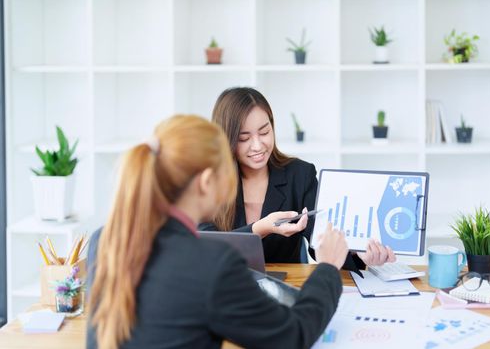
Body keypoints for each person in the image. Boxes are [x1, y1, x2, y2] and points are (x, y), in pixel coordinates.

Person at [86, 114, 350, 349]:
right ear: (205, 182)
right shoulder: (212, 262)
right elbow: (293, 335)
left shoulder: (105, 239)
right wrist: (327, 267)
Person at [200, 87, 395, 271]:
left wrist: (357, 254)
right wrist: (261, 228)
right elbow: (203, 248)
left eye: (265, 132)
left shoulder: (299, 174)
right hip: (224, 291)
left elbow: (319, 243)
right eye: (244, 138)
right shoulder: (208, 181)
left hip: (286, 288)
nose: (258, 145)